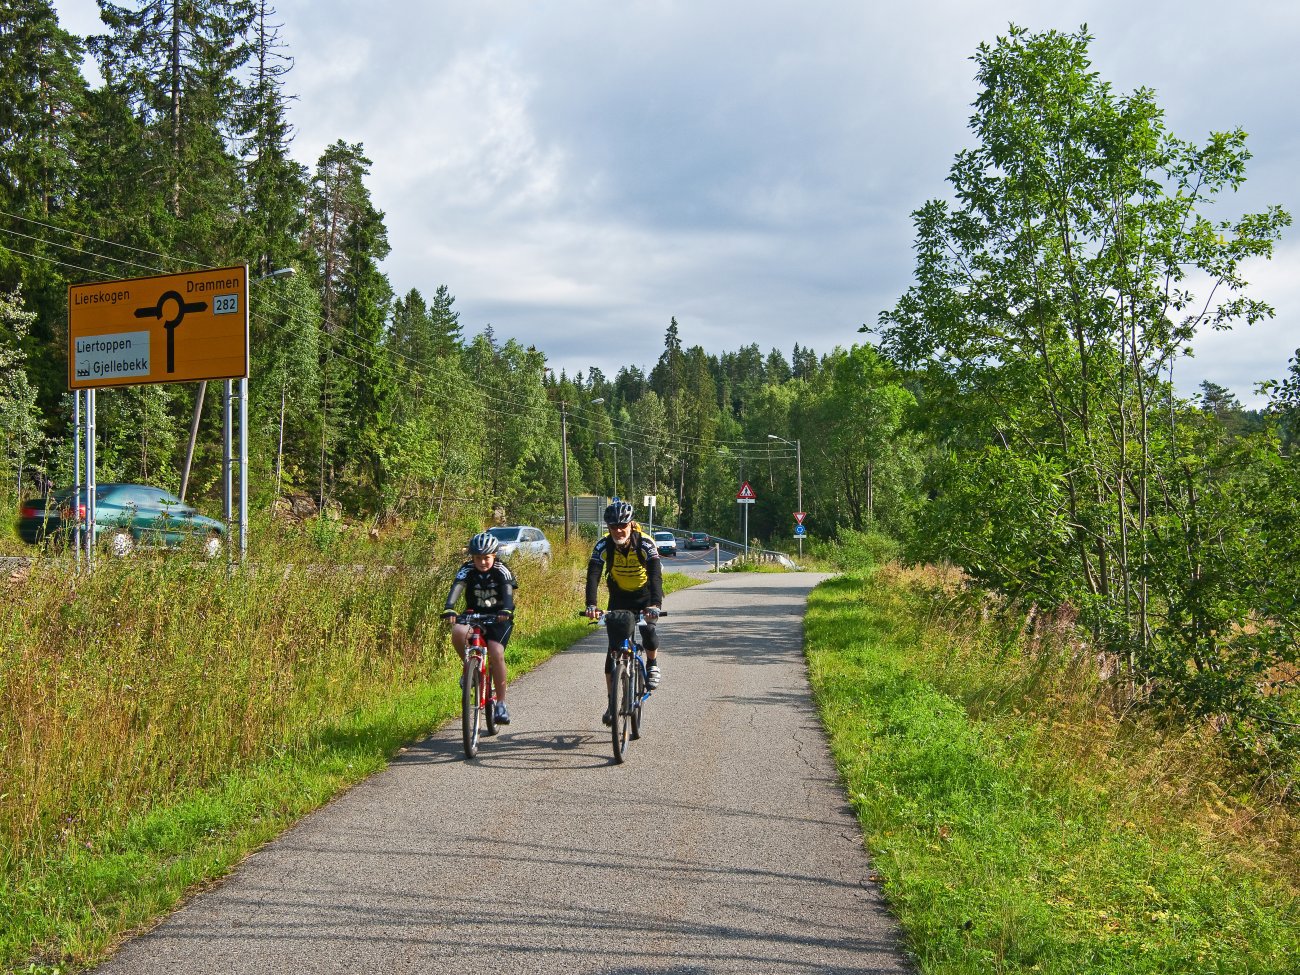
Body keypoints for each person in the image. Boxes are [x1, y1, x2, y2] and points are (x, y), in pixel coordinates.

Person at [584, 500, 664, 726]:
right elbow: (593, 574)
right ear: (608, 527)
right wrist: (591, 605)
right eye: (613, 526)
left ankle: (652, 663)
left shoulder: (645, 543)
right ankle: (612, 704)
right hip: (619, 597)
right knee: (612, 652)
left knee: (648, 631)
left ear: (631, 524)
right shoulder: (603, 545)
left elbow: (655, 575)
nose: (618, 530)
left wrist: (655, 604)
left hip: (645, 596)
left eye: (623, 525)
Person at [442, 530, 516, 726]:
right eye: (478, 558)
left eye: (487, 558)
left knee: (496, 652)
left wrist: (507, 609)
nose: (482, 562)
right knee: (458, 632)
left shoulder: (501, 569)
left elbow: (508, 591)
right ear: (472, 557)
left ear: (494, 556)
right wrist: (449, 607)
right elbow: (457, 586)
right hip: (474, 614)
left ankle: (501, 703)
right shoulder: (467, 569)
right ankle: (470, 670)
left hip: (499, 616)